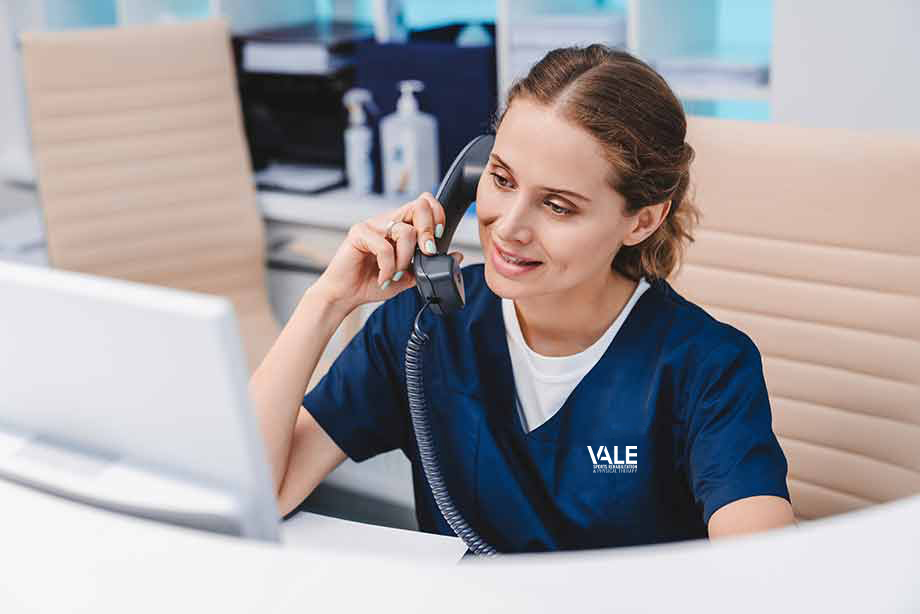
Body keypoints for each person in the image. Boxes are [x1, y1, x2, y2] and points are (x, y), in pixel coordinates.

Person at [249, 45, 796, 554]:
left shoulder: (707, 366)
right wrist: (328, 300)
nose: (509, 228)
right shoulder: (422, 328)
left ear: (643, 219)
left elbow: (766, 575)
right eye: (502, 179)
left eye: (558, 206)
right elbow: (260, 492)